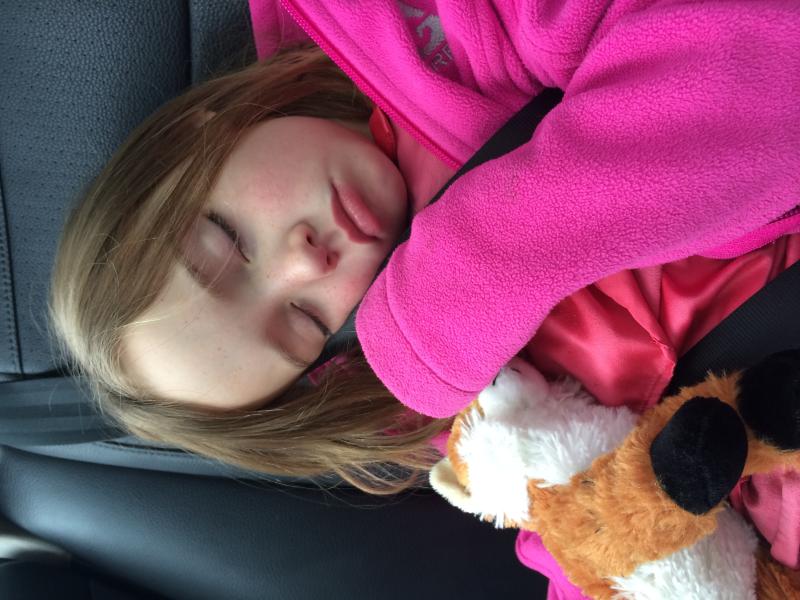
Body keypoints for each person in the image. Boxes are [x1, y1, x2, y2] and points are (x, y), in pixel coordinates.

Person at [48, 0, 800, 596]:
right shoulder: (448, 395)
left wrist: (479, 264)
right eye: (305, 320)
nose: (305, 262)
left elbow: (757, 59)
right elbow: (573, 526)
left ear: (199, 137)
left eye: (231, 241)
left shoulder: (416, 30)